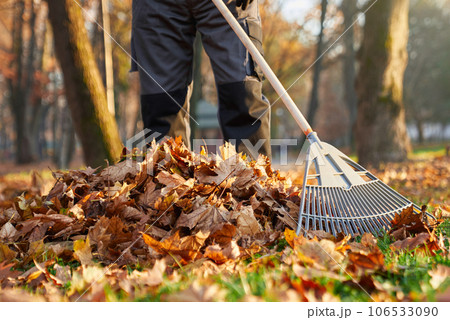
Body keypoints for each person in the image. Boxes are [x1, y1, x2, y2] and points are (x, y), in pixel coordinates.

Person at [131, 0, 271, 158]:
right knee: (161, 104)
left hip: (229, 3)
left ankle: (252, 178)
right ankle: (168, 179)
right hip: (156, 5)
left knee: (242, 95)